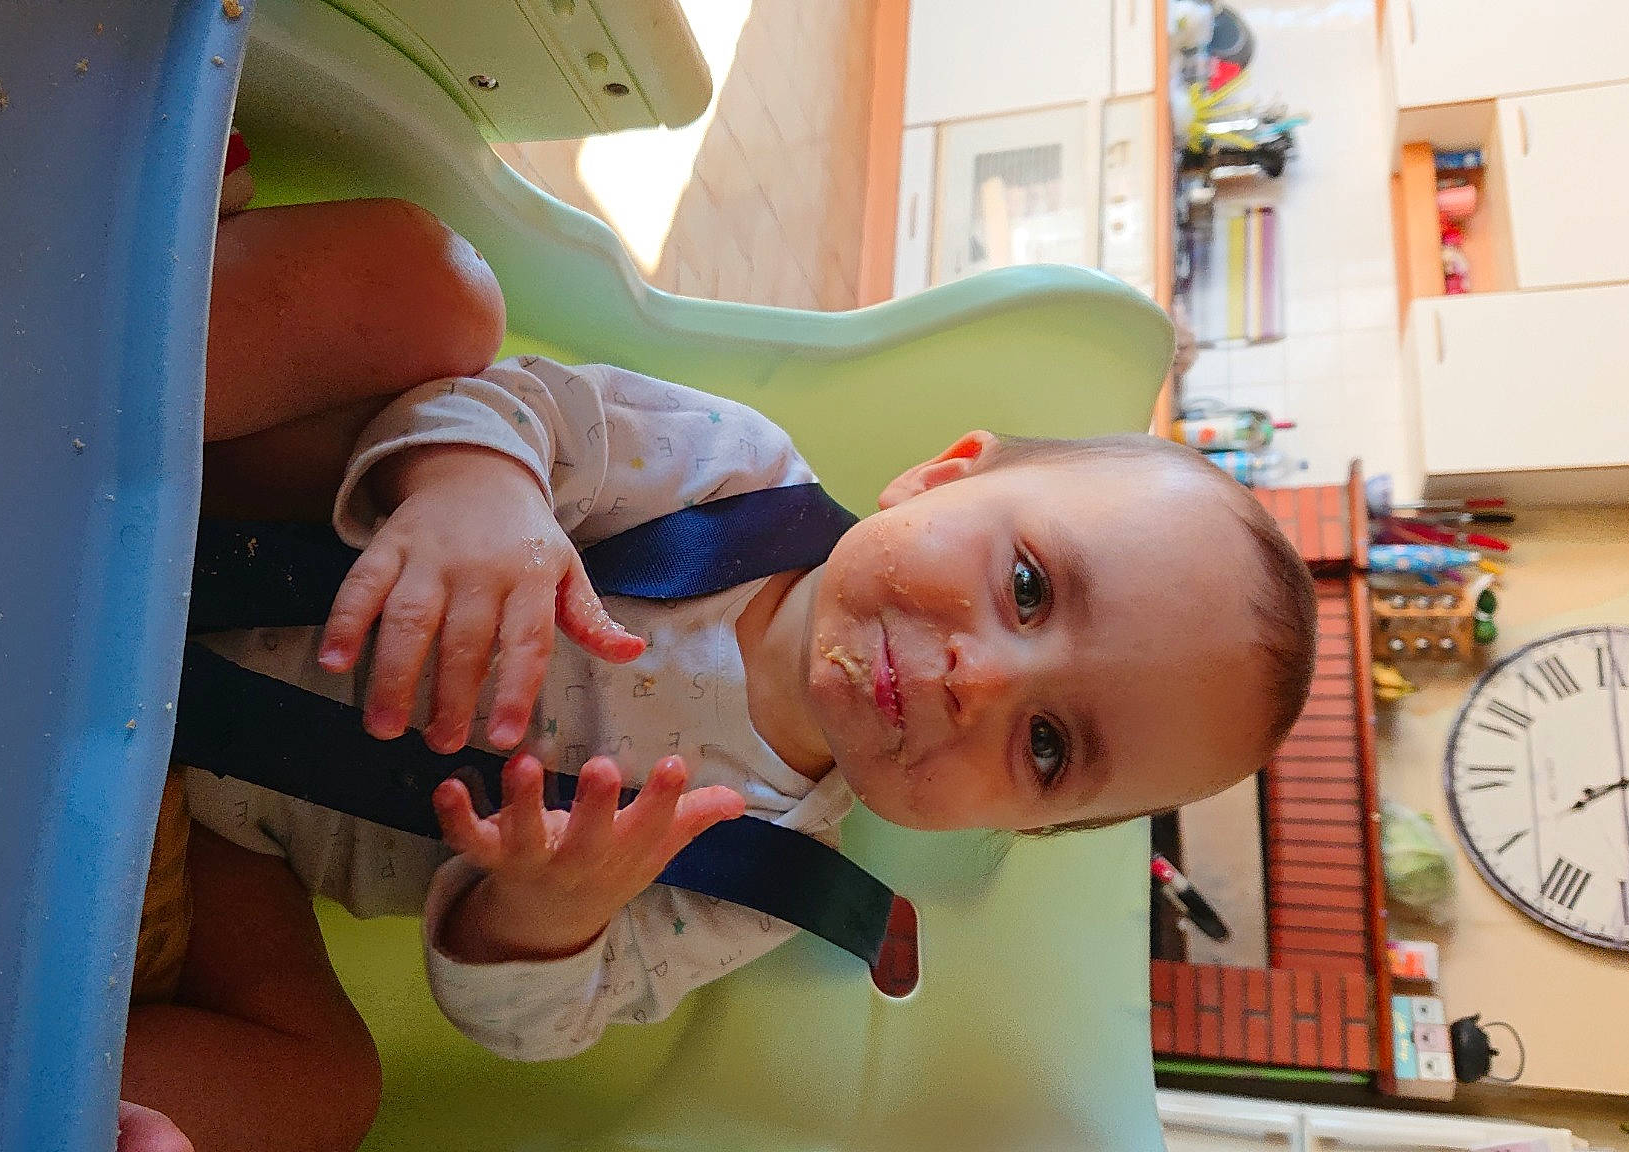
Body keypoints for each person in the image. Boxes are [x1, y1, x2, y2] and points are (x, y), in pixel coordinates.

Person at [120, 175, 1318, 1152]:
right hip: (205, 494)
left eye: (1048, 746)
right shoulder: (727, 476)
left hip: (205, 830)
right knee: (432, 293)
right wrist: (478, 487)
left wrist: (547, 913)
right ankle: (76, 346)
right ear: (945, 477)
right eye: (1026, 589)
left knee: (324, 1098)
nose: (983, 681)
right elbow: (515, 407)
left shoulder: (755, 883)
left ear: (1009, 822)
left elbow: (526, 1026)